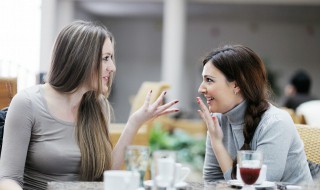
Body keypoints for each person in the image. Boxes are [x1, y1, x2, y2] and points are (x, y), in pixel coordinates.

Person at [0, 20, 179, 190]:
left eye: (112, 58)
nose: (113, 67)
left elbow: (105, 177)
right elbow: (8, 180)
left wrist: (134, 123)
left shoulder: (97, 105)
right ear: (81, 58)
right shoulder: (27, 103)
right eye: (106, 58)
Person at [196, 45, 312, 185]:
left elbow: (256, 187)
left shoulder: (275, 123)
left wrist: (217, 143)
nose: (201, 88)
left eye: (209, 80)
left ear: (236, 85)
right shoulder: (218, 120)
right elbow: (212, 181)